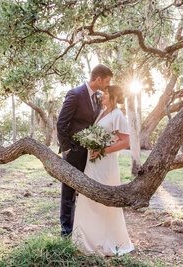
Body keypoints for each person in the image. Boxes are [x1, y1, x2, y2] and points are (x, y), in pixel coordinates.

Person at [72, 85, 134, 257]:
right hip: (92, 163)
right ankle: (85, 240)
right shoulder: (101, 112)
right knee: (88, 196)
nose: (102, 95)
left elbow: (125, 141)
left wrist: (102, 151)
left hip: (106, 163)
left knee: (102, 199)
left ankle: (104, 241)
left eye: (106, 93)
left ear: (113, 96)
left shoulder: (118, 114)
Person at [56, 64, 113, 237]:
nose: (108, 85)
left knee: (87, 190)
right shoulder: (75, 94)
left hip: (90, 154)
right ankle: (66, 232)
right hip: (73, 152)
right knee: (69, 191)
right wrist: (67, 148)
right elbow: (61, 123)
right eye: (107, 81)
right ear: (98, 79)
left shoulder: (97, 97)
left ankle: (84, 228)